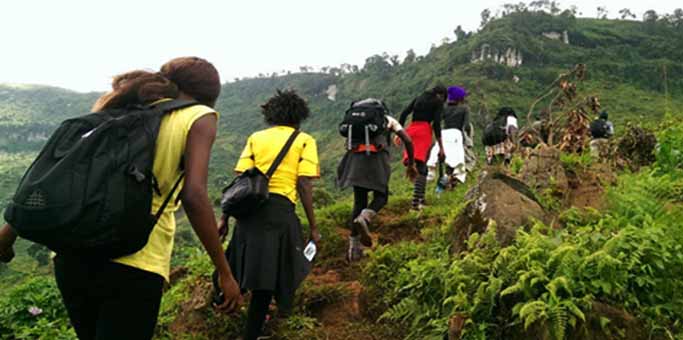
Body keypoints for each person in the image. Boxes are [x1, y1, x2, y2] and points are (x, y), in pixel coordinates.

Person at [0, 57, 242, 340]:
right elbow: (194, 195)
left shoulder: (120, 111)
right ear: (209, 95)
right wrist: (224, 271)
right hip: (135, 261)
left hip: (71, 256)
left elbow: (56, 179)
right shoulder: (199, 116)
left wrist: (8, 235)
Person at [218, 90, 320, 340]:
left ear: (271, 115)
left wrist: (224, 217)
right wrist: (314, 226)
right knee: (270, 274)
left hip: (249, 209)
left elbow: (242, 180)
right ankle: (251, 333)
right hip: (279, 211)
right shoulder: (304, 140)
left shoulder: (256, 137)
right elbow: (304, 184)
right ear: (299, 116)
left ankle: (223, 304)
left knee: (241, 261)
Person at [336, 98, 417, 261]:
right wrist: (411, 164)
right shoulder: (387, 120)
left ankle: (354, 250)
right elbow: (407, 140)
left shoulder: (354, 122)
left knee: (359, 202)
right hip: (376, 161)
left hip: (355, 161)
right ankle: (365, 217)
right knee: (381, 196)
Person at [398, 86, 447, 210]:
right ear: (441, 95)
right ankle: (416, 204)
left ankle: (420, 200)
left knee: (416, 164)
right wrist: (441, 146)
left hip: (411, 130)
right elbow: (436, 124)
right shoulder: (438, 102)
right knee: (422, 168)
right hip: (423, 132)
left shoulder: (419, 98)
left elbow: (404, 113)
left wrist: (399, 132)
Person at [427, 86, 472, 187]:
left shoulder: (444, 108)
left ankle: (442, 185)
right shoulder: (464, 109)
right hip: (456, 135)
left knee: (444, 159)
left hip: (444, 135)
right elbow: (467, 126)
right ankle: (450, 185)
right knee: (456, 162)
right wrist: (467, 138)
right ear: (460, 98)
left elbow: (436, 122)